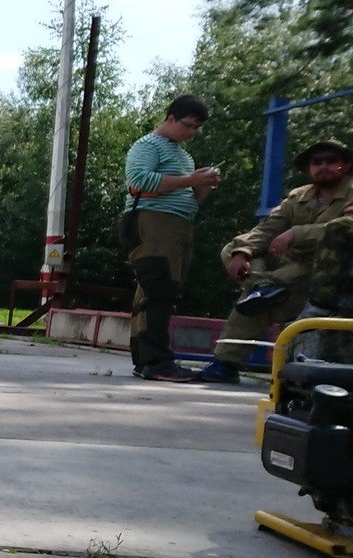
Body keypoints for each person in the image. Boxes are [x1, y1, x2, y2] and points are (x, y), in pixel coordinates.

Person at [200, 139, 351, 382]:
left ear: (345, 165)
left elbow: (346, 228)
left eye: (332, 160)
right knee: (235, 249)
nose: (324, 166)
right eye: (317, 161)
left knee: (262, 297)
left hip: (328, 275)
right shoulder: (299, 196)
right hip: (289, 272)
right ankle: (261, 287)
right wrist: (244, 252)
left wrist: (297, 232)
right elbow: (269, 229)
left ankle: (227, 361)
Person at [120, 93, 219, 382]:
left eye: (197, 128)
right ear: (171, 118)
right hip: (152, 223)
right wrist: (191, 180)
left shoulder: (183, 154)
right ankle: (158, 362)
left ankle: (146, 360)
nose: (192, 133)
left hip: (176, 226)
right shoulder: (148, 145)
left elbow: (187, 194)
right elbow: (138, 182)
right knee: (159, 291)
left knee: (154, 292)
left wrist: (203, 186)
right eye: (188, 125)